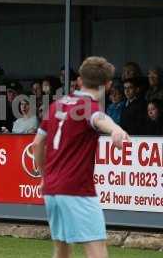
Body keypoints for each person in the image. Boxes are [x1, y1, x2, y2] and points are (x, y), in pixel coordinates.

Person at [33, 57, 129, 258]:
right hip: (77, 190)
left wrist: (44, 176)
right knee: (97, 249)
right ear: (108, 84)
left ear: (79, 80)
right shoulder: (89, 107)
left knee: (62, 251)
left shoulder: (56, 106)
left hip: (52, 189)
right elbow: (99, 119)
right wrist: (116, 130)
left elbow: (37, 144)